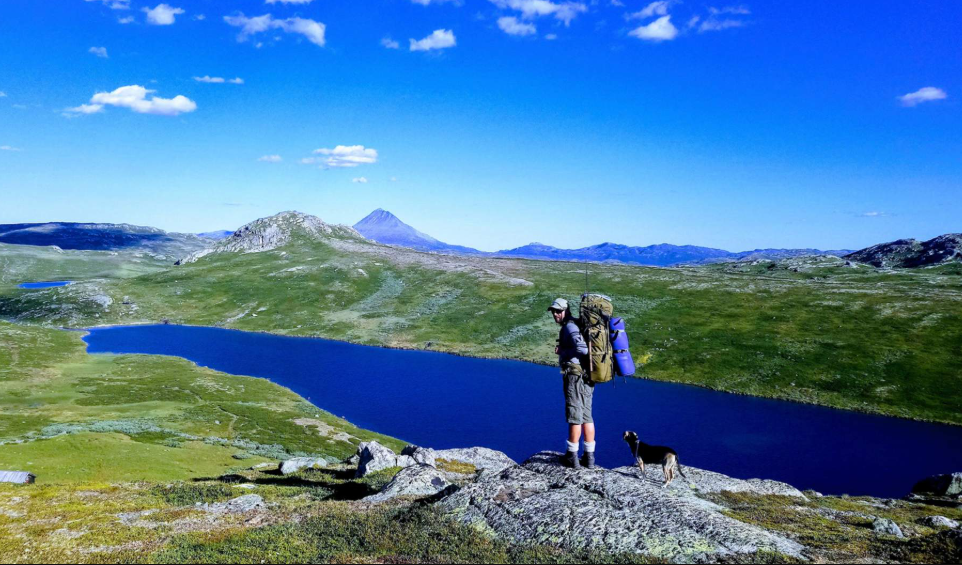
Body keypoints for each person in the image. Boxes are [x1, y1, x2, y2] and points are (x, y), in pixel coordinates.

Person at [548, 297, 595, 469]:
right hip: (586, 376)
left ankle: (572, 456)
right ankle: (589, 458)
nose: (555, 314)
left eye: (558, 311)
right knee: (586, 416)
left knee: (575, 415)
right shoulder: (575, 324)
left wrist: (563, 351)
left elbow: (582, 348)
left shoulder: (569, 326)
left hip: (575, 377)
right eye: (553, 311)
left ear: (566, 310)